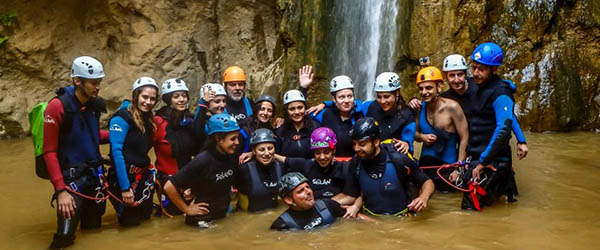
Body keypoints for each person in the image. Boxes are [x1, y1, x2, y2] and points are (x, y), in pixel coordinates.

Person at [408, 54, 528, 160]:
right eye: (452, 75)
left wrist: (521, 140)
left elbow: (507, 114)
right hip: (467, 146)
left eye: (460, 74)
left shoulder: (479, 88)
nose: (456, 80)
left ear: (466, 74)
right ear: (445, 78)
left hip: (487, 142)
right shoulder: (446, 98)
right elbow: (428, 99)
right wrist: (413, 100)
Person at [43, 56, 108, 249]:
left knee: (93, 230)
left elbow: (92, 136)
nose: (98, 87)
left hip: (93, 177)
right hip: (71, 183)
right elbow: (49, 152)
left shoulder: (94, 104)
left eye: (99, 82)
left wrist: (119, 134)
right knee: (64, 238)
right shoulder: (57, 107)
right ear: (77, 81)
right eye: (93, 83)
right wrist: (61, 191)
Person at [459, 42, 519, 210]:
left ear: (494, 70)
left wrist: (483, 162)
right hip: (478, 156)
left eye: (482, 69)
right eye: (474, 68)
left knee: (470, 209)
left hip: (492, 160)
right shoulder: (477, 86)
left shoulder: (501, 93)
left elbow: (504, 127)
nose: (476, 73)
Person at [346, 117, 434, 217]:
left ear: (376, 142)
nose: (356, 149)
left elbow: (427, 182)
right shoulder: (356, 163)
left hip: (401, 221)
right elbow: (353, 194)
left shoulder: (399, 159)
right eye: (354, 144)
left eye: (362, 144)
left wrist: (423, 197)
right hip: (369, 220)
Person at [163, 114, 240, 227]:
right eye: (233, 139)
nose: (237, 142)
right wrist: (187, 209)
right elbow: (169, 187)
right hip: (202, 221)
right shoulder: (202, 160)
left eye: (237, 138)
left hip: (222, 216)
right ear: (218, 138)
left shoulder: (232, 155)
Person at [107, 76, 159, 226]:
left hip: (143, 177)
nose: (148, 102)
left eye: (152, 99)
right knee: (130, 224)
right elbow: (117, 152)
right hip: (124, 179)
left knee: (146, 220)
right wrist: (125, 188)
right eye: (144, 97)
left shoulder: (148, 120)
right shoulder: (121, 118)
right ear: (136, 96)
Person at [414, 66, 469, 191]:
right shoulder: (420, 108)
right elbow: (414, 133)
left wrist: (458, 169)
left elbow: (464, 138)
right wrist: (422, 137)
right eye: (421, 89)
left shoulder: (452, 107)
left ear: (439, 87)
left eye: (428, 88)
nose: (424, 92)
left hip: (448, 169)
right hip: (425, 168)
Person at [273, 127, 360, 205]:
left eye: (326, 152)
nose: (322, 157)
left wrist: (321, 206)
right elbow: (286, 160)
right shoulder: (307, 165)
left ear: (334, 150)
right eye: (318, 153)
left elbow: (350, 197)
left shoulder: (345, 168)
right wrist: (269, 153)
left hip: (332, 210)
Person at [153, 78, 199, 216]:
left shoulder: (189, 121)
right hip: (168, 181)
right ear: (168, 100)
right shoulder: (158, 122)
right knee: (172, 220)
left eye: (184, 96)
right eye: (176, 96)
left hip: (188, 180)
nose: (182, 100)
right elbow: (142, 147)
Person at [270, 172, 347, 230]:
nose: (309, 192)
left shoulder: (329, 205)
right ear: (289, 200)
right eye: (301, 191)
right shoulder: (282, 225)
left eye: (308, 187)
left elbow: (352, 219)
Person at [362, 72, 416, 154]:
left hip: (394, 158)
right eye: (379, 97)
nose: (383, 101)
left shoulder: (407, 114)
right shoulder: (371, 107)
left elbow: (408, 138)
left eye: (386, 96)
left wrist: (406, 144)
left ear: (397, 93)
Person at [311, 75, 364, 159]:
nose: (346, 101)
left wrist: (325, 103)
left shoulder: (361, 114)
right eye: (341, 97)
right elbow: (301, 115)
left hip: (355, 165)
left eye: (350, 96)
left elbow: (364, 103)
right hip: (331, 166)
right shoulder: (326, 114)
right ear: (334, 100)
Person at [237, 128, 285, 212]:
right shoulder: (243, 170)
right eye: (261, 150)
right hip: (249, 218)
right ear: (254, 151)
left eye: (270, 148)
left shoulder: (280, 167)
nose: (267, 153)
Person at [275, 89, 319, 158]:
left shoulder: (315, 127)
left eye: (300, 107)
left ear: (305, 108)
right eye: (292, 109)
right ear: (286, 111)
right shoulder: (281, 132)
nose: (297, 112)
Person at [193, 83, 228, 148]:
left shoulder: (226, 114)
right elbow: (197, 135)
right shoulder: (202, 121)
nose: (222, 105)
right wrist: (203, 103)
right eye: (217, 101)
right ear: (207, 103)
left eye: (224, 101)